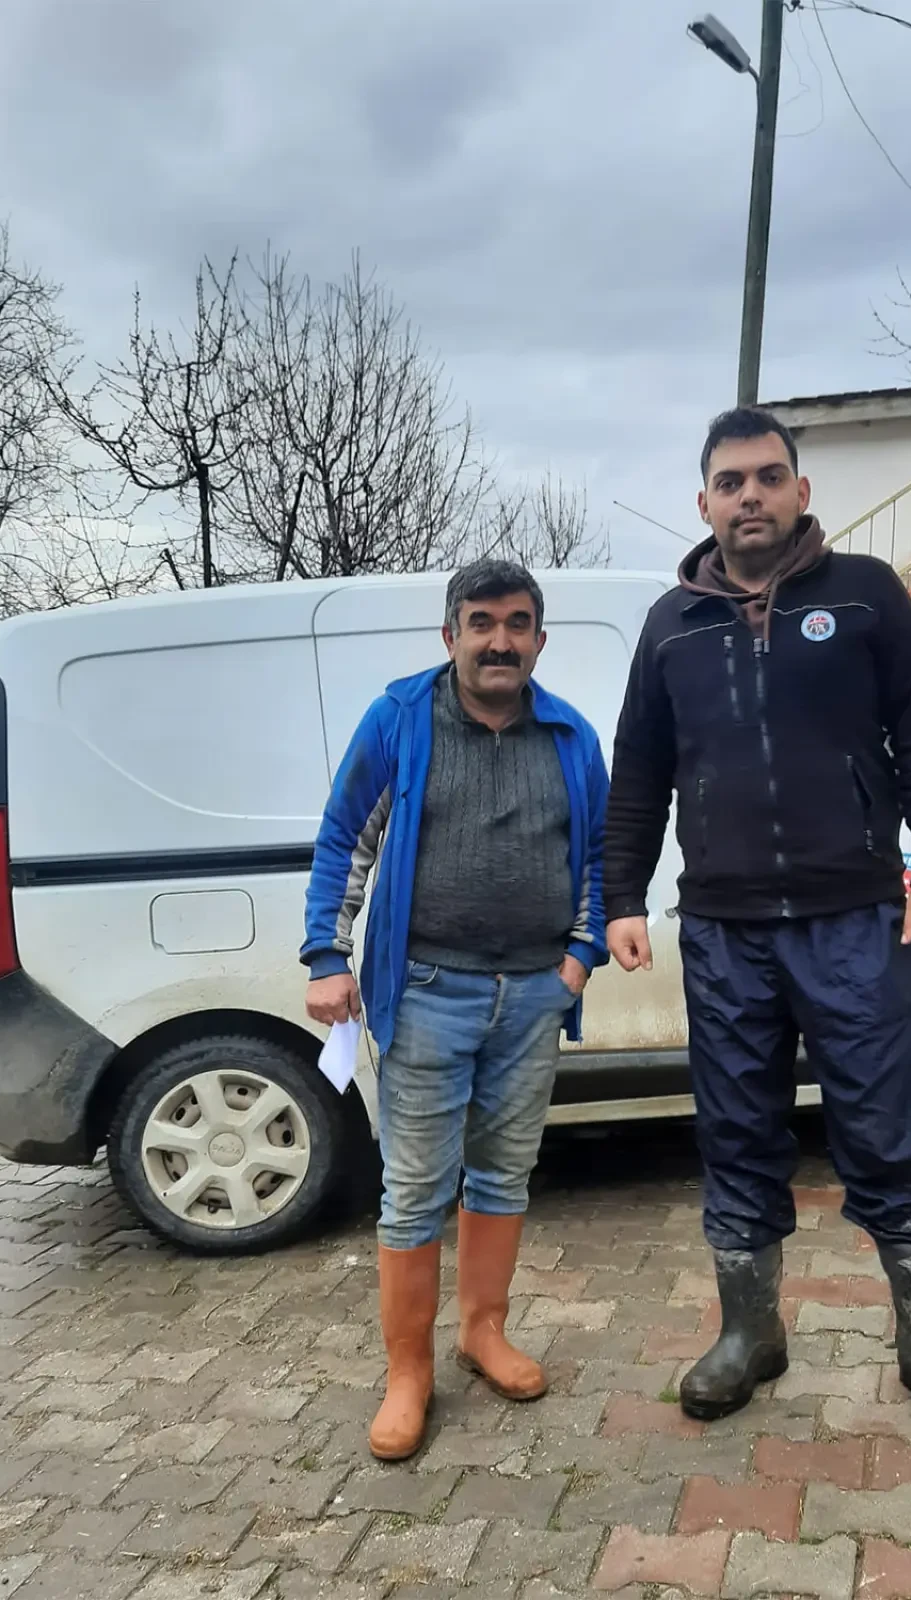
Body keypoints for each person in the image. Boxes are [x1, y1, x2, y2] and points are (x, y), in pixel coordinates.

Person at [602, 408, 911, 1441]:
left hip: (856, 918)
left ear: (799, 491)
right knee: (735, 1131)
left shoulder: (864, 596)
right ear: (704, 504)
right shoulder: (668, 625)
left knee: (882, 1127)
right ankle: (749, 1333)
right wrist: (620, 897)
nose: (750, 496)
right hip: (725, 932)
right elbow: (638, 771)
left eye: (768, 476)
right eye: (730, 482)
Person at [302, 558, 608, 1461]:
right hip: (427, 992)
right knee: (413, 1194)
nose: (499, 640)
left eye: (517, 624)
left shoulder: (572, 736)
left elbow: (597, 857)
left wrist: (578, 961)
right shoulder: (401, 718)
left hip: (531, 999)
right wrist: (327, 951)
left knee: (504, 1179)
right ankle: (409, 1375)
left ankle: (483, 1333)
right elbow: (344, 837)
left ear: (539, 642)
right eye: (480, 623)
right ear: (451, 636)